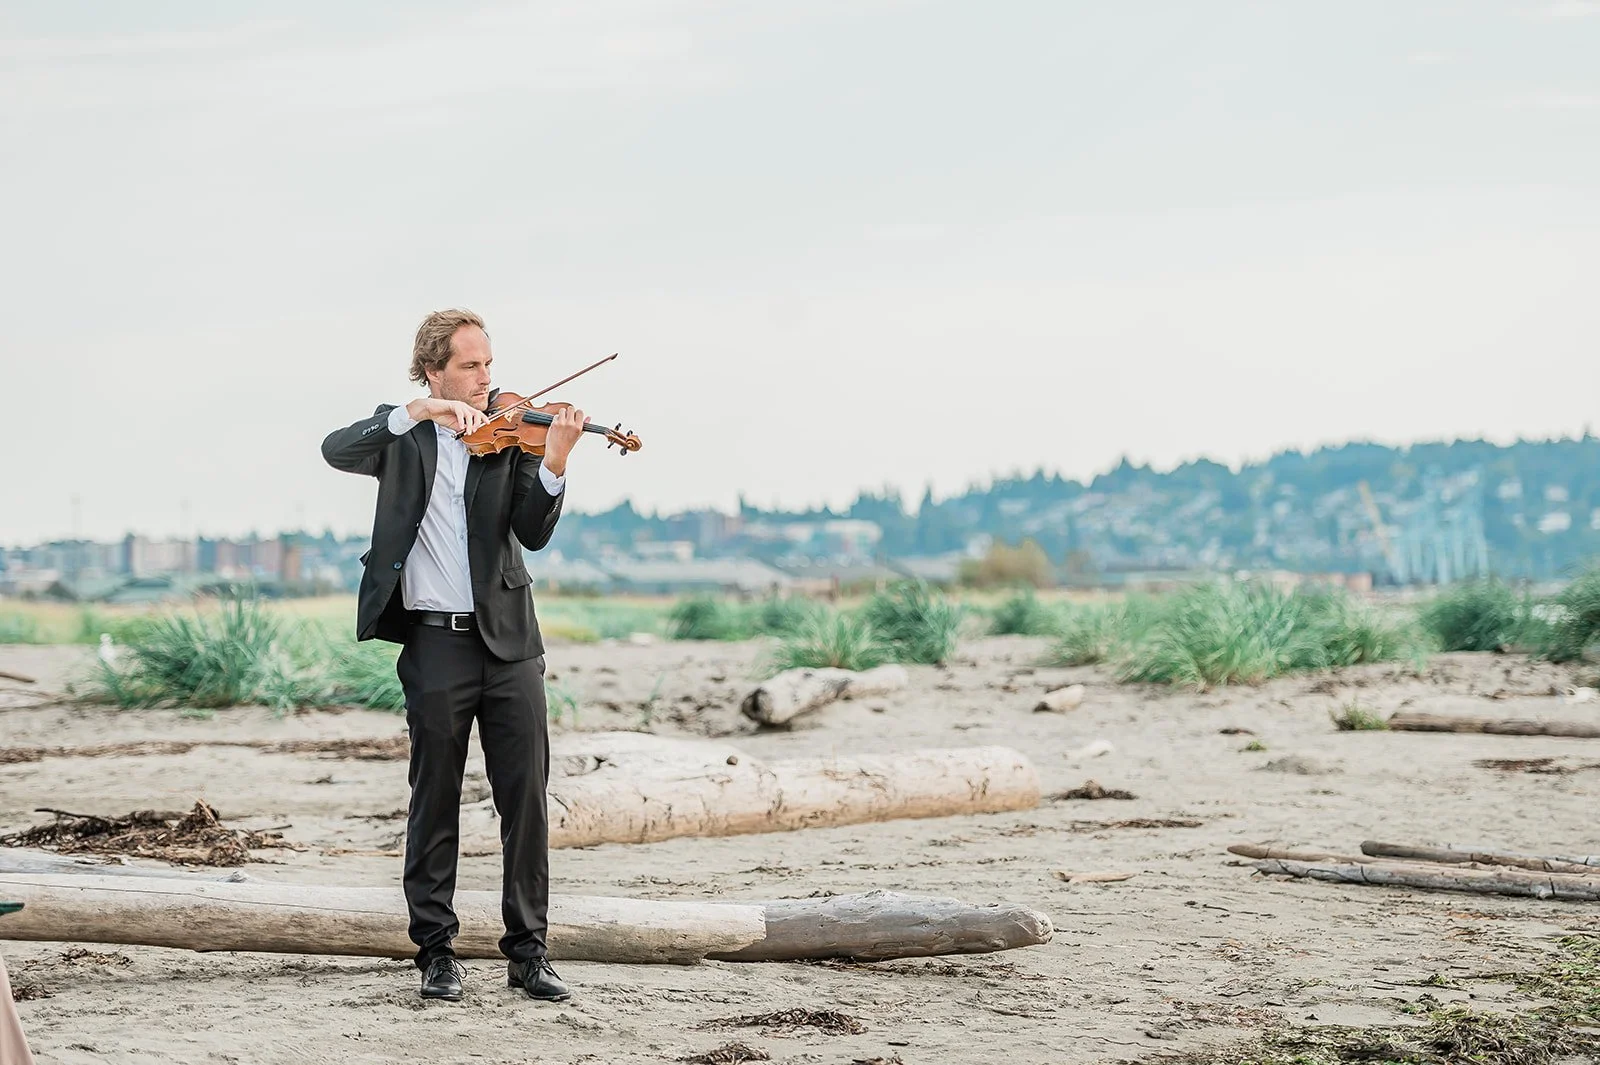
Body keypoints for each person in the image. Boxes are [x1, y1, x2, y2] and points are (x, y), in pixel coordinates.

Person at [320, 309, 585, 1003]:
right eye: (469, 366)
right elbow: (335, 447)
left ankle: (529, 952)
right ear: (434, 369)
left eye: (488, 364)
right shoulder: (401, 435)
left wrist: (553, 461)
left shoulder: (514, 430)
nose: (486, 379)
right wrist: (419, 411)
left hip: (510, 644)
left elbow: (531, 530)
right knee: (432, 797)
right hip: (434, 643)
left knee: (524, 800)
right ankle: (435, 951)